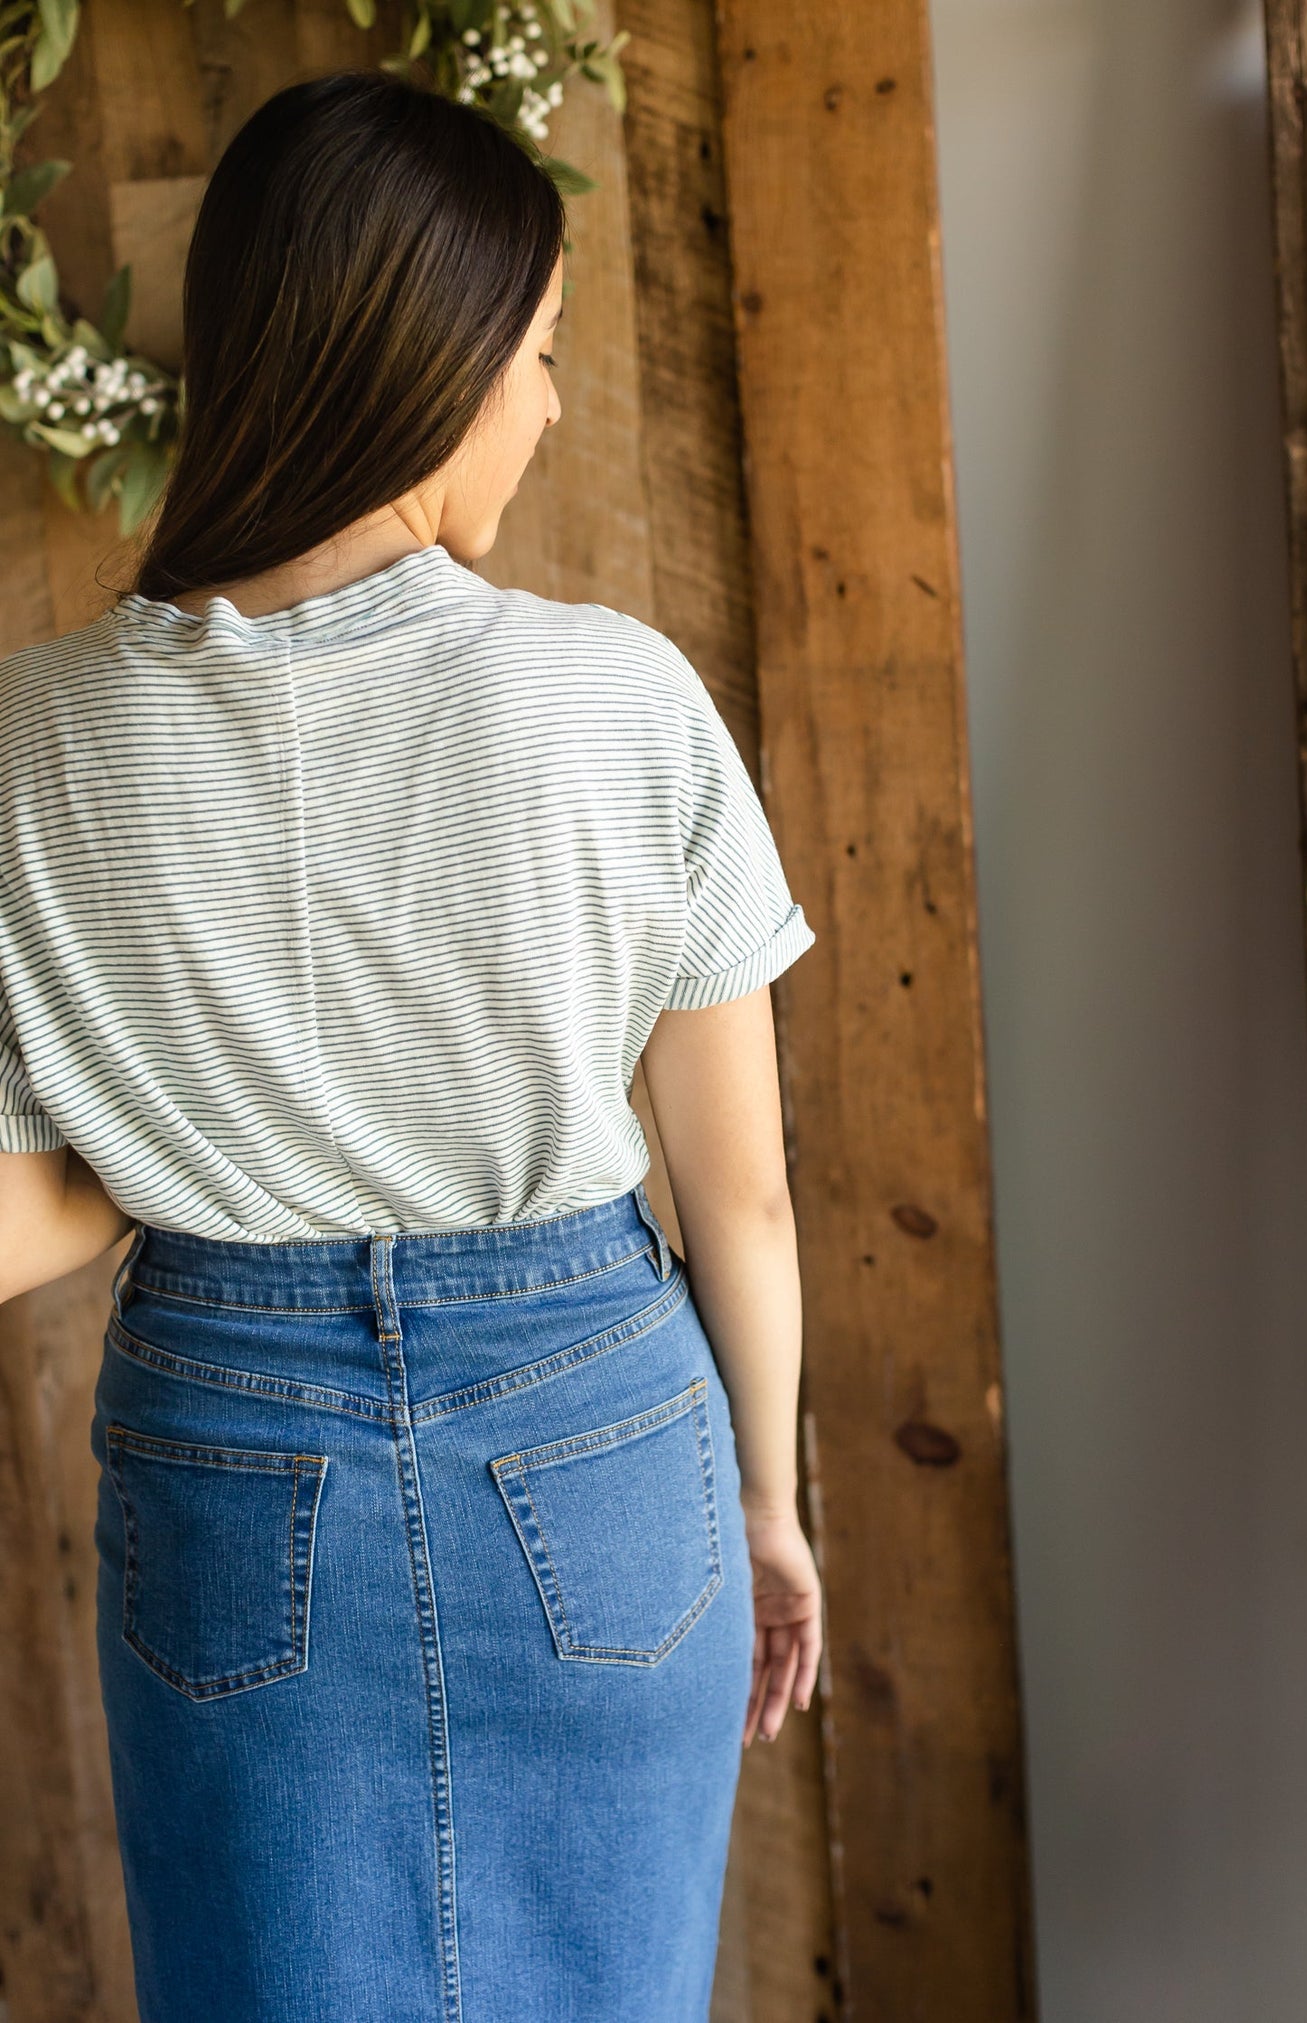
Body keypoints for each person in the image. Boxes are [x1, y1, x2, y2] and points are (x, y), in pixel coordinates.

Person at [0, 69, 821, 2023]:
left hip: (227, 1459)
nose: (544, 407)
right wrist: (772, 1506)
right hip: (605, 1440)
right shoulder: (618, 700)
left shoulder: (32, 737)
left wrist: (178, 1130)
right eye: (532, 357)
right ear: (429, 359)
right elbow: (749, 1197)